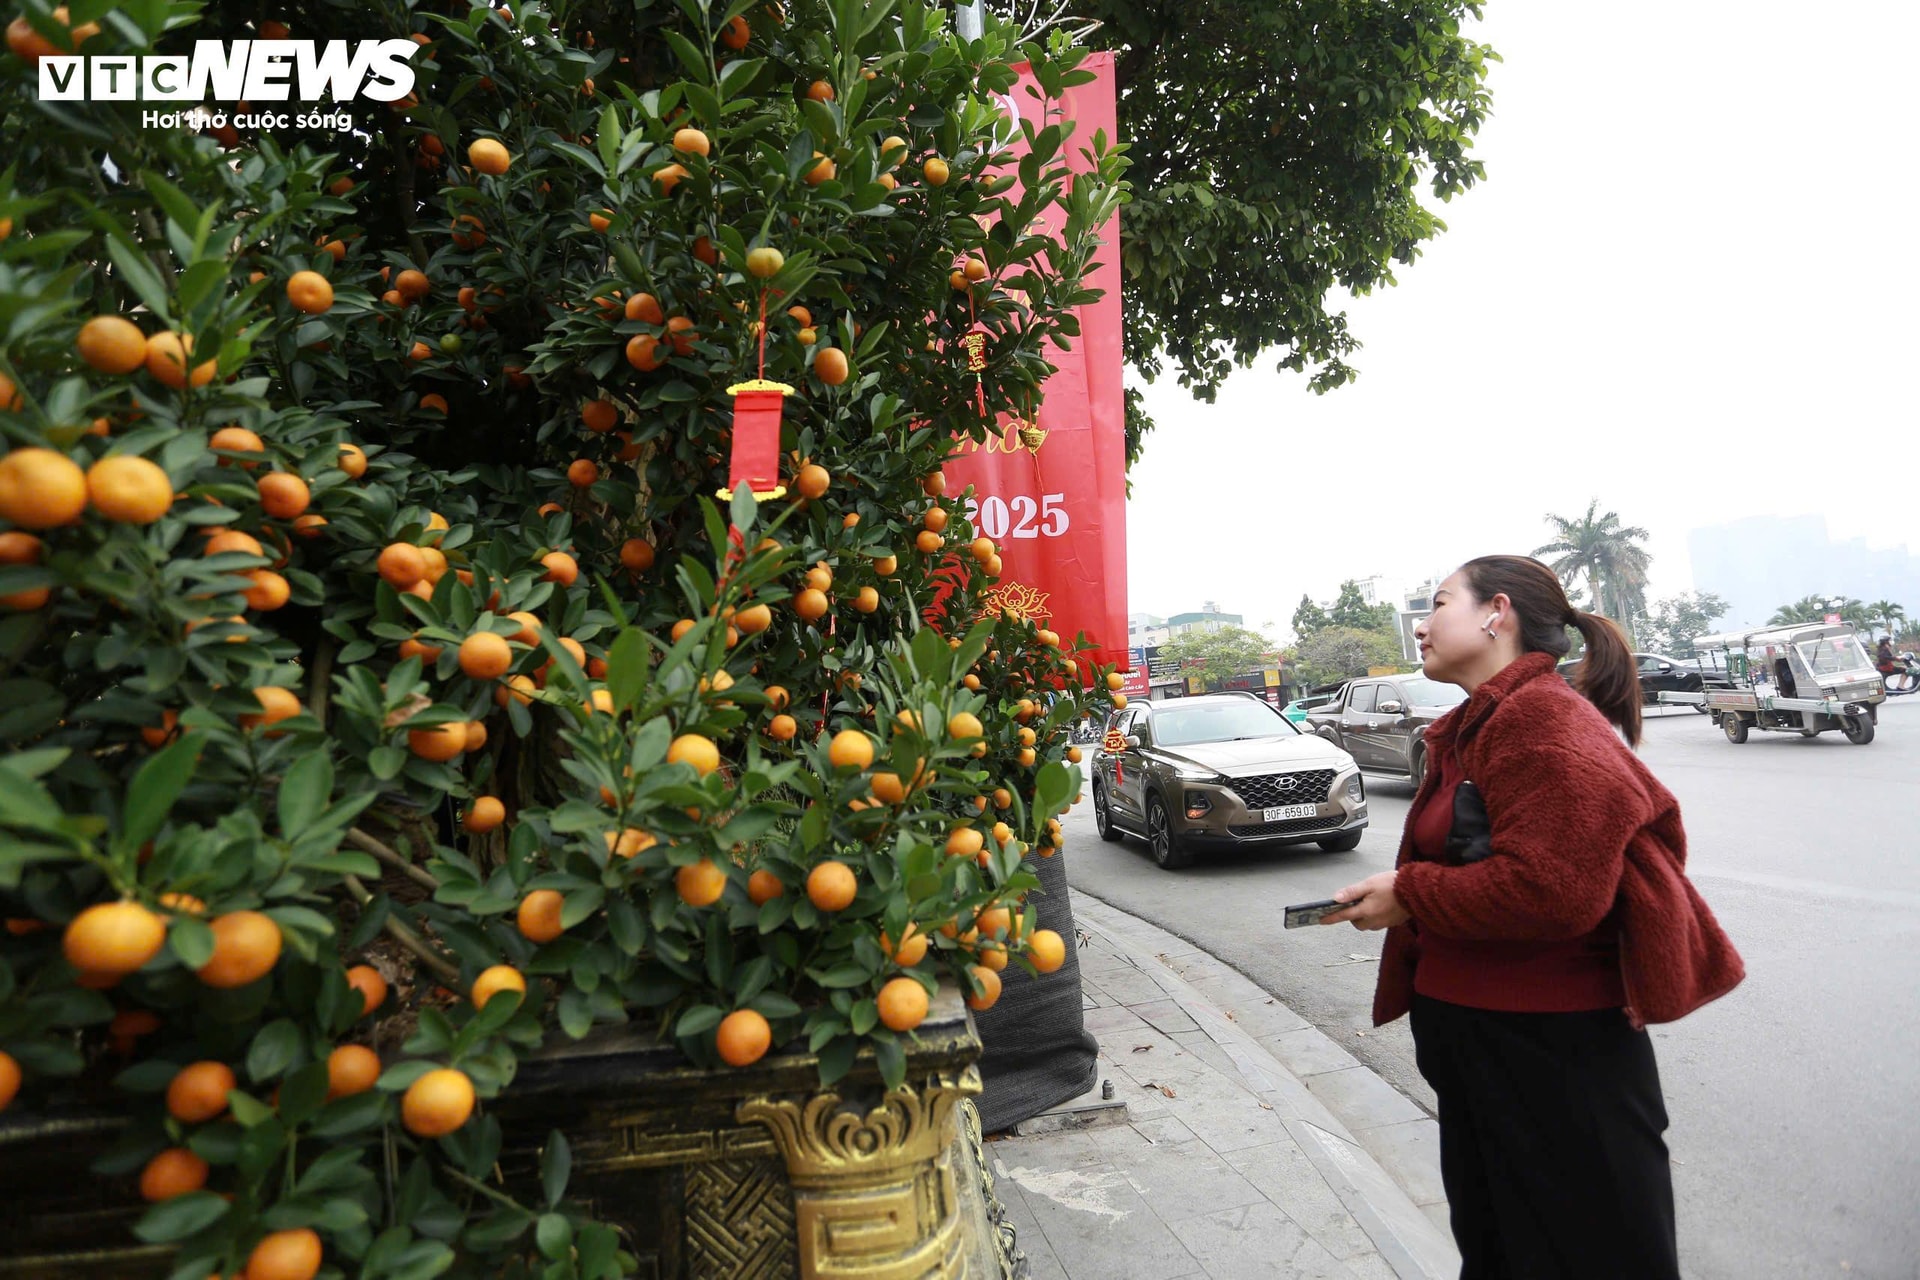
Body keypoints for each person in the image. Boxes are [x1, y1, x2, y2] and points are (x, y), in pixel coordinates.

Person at [1321, 554, 1744, 1279]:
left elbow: (1555, 889)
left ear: (1498, 613)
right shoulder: (1480, 723)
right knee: (1503, 1251)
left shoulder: (1539, 717)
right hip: (1492, 1048)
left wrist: (1410, 894)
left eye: (1440, 603)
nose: (1421, 625)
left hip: (1555, 1057)